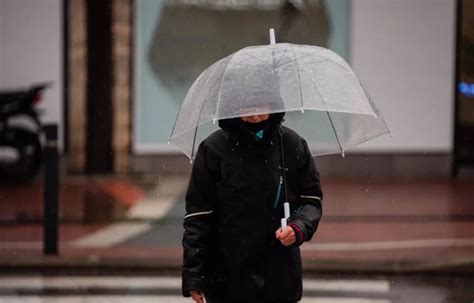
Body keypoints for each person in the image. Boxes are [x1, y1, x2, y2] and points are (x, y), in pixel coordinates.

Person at [181, 106, 323, 303]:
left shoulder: (291, 144)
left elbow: (311, 200)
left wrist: (298, 227)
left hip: (279, 276)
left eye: (261, 106)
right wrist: (195, 277)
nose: (255, 115)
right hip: (227, 278)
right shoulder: (213, 149)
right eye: (247, 108)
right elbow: (198, 217)